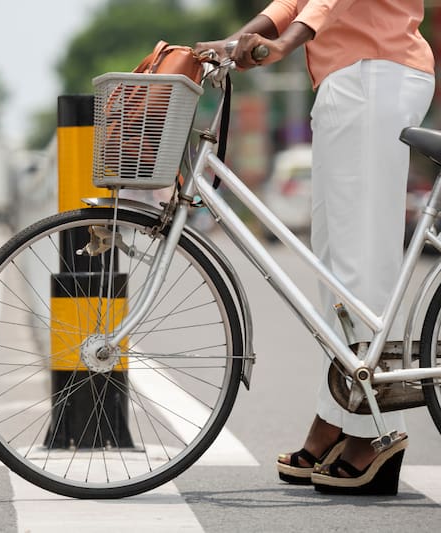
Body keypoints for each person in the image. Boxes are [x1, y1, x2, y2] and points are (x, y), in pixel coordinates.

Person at [195, 0, 435, 495]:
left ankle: (373, 433)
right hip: (348, 80)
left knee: (359, 264)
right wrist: (240, 40)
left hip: (375, 73)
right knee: (332, 267)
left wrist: (285, 41)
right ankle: (337, 416)